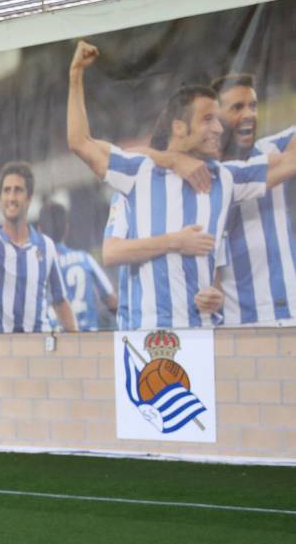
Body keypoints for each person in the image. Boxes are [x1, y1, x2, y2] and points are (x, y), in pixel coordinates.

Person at [66, 40, 296, 328]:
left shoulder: (225, 178)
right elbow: (80, 142)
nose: (219, 127)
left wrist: (214, 295)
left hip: (203, 332)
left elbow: (289, 162)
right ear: (179, 127)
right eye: (208, 119)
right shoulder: (140, 173)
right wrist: (75, 75)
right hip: (145, 334)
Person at [0, 153, 77, 333]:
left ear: (29, 197)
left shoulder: (46, 246)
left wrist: (77, 343)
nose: (11, 197)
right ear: (0, 198)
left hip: (38, 351)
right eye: (6, 190)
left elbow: (60, 301)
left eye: (18, 190)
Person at [211, 72, 296, 325]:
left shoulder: (271, 149)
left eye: (253, 106)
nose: (249, 114)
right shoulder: (203, 176)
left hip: (290, 313)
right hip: (237, 324)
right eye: (237, 107)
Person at [39, 201, 117, 331]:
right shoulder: (85, 258)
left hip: (55, 342)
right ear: (67, 228)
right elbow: (111, 299)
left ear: (39, 230)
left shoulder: (37, 267)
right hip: (89, 341)